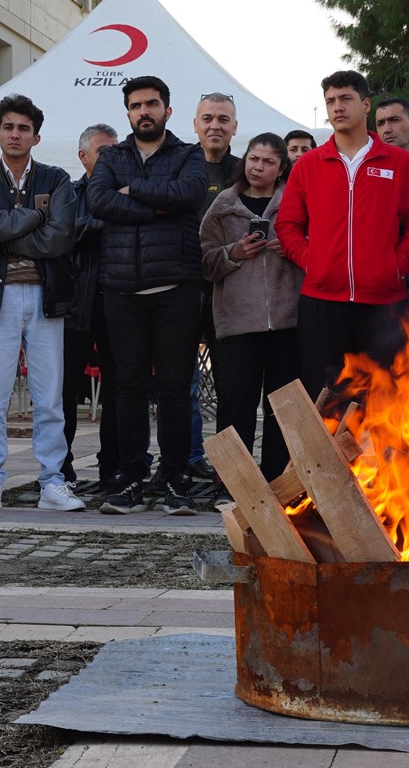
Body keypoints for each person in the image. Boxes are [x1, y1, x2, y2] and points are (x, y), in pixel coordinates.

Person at [276, 71, 409, 409]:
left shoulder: (399, 162)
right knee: (326, 403)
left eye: (345, 98)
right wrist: (313, 262)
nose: (337, 107)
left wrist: (396, 266)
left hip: (384, 303)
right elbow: (288, 224)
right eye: (330, 101)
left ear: (365, 104)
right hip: (322, 303)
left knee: (386, 404)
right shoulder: (308, 165)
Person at [87, 75, 207, 516]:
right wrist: (159, 207)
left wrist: (134, 190)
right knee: (129, 389)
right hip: (122, 290)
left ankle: (175, 478)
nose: (144, 112)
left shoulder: (188, 154)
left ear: (167, 110)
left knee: (175, 389)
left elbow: (189, 194)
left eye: (152, 104)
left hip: (176, 289)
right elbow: (99, 202)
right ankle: (131, 477)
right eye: (136, 106)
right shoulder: (112, 156)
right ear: (128, 113)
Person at [0, 95, 82, 512]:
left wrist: (5, 230)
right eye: (9, 127)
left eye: (23, 128)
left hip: (47, 296)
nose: (15, 134)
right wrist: (35, 217)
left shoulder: (57, 178)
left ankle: (53, 482)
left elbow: (61, 237)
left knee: (49, 399)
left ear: (36, 137)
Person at [201, 133, 301, 478]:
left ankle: (279, 481)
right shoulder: (223, 205)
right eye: (253, 159)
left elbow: (318, 251)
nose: (258, 167)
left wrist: (295, 248)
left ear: (282, 168)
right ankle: (233, 483)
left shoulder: (296, 202)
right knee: (236, 405)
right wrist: (234, 252)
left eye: (268, 162)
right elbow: (204, 262)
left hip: (287, 321)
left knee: (283, 408)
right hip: (238, 322)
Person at [186, 92, 244, 479]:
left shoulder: (245, 171)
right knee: (182, 384)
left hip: (231, 289)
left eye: (223, 119)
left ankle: (230, 469)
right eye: (207, 118)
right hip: (184, 288)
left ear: (235, 127)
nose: (215, 126)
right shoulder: (179, 167)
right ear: (195, 124)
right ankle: (188, 459)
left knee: (231, 384)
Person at [64, 124, 119, 489]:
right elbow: (63, 232)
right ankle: (59, 467)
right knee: (64, 391)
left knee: (119, 389)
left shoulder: (129, 192)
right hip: (75, 304)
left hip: (119, 304)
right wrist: (105, 219)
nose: (111, 158)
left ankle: (113, 466)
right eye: (103, 151)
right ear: (83, 156)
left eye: (116, 151)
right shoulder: (68, 194)